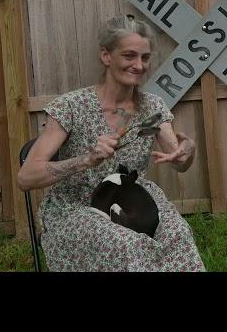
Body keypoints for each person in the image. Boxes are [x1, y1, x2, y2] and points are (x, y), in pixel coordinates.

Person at [18, 15, 205, 271]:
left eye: (145, 57)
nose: (139, 65)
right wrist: (86, 160)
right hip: (78, 208)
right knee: (125, 243)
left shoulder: (152, 108)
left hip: (136, 203)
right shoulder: (72, 107)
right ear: (106, 56)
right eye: (129, 56)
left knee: (178, 234)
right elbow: (26, 177)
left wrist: (187, 151)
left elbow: (180, 162)